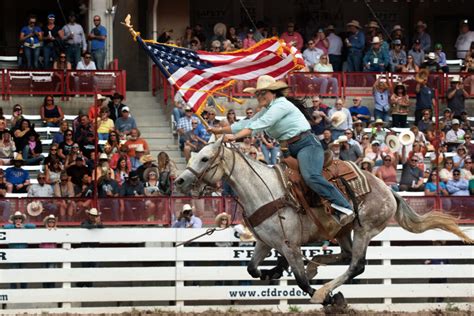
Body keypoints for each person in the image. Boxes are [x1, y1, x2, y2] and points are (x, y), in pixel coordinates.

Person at [208, 75, 354, 225]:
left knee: (311, 176)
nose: (258, 96)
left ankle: (344, 206)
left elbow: (259, 124)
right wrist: (217, 130)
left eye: (262, 93)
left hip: (306, 145)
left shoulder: (280, 105)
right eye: (257, 93)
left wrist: (234, 137)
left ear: (273, 92)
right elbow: (247, 122)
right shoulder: (268, 108)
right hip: (289, 149)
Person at [3, 211, 35, 289]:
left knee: (23, 273)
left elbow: (33, 226)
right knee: (13, 272)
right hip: (13, 253)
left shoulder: (25, 227)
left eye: (19, 218)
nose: (18, 220)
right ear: (14, 220)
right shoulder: (10, 227)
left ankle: (23, 289)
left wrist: (23, 226)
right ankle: (13, 289)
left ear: (22, 219)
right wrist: (14, 226)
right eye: (16, 218)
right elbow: (5, 226)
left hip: (23, 253)